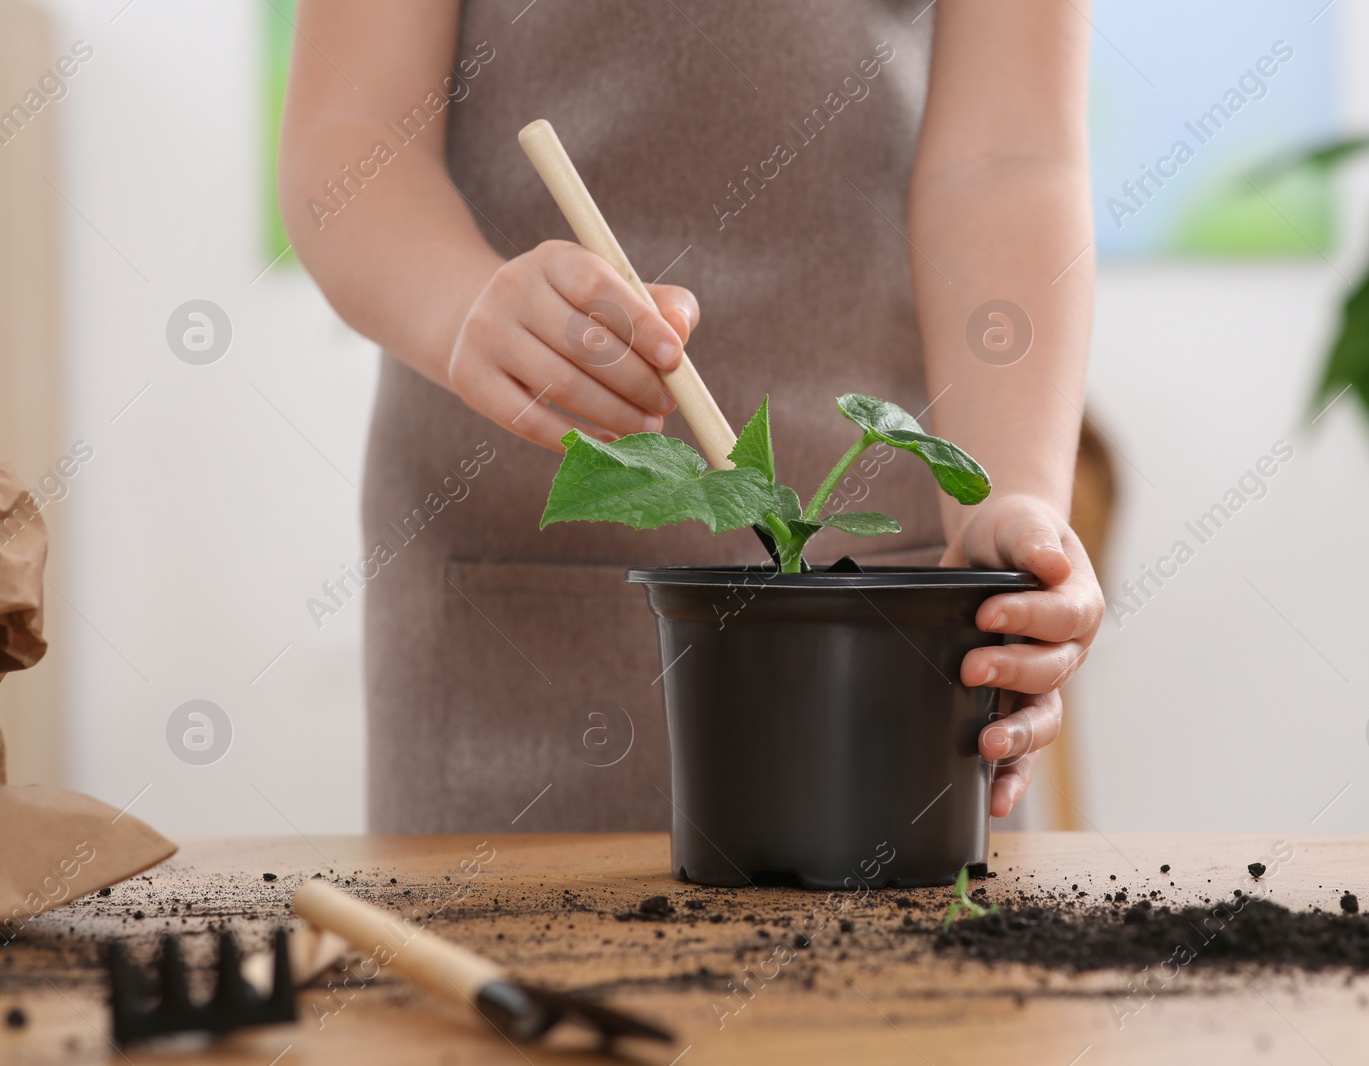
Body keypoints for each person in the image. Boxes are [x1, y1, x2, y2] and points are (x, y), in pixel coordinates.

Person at [279, 0, 1103, 833]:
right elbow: (351, 137)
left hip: (900, 606)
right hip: (503, 610)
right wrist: (459, 306)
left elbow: (1010, 160)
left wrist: (1008, 504)